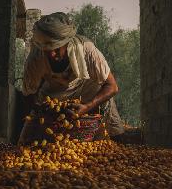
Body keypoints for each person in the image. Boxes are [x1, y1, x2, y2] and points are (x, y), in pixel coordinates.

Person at [19, 12, 125, 143]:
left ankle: (117, 145)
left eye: (57, 48)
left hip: (86, 88)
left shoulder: (86, 49)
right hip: (54, 95)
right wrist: (42, 111)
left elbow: (112, 86)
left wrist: (88, 106)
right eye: (47, 49)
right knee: (26, 142)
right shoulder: (36, 58)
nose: (52, 54)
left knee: (115, 134)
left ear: (67, 43)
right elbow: (28, 94)